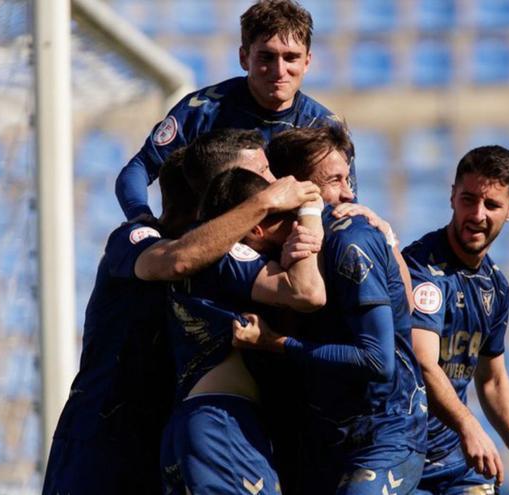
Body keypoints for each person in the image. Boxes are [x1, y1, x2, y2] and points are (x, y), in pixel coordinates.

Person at [42, 142, 321, 495]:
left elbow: (302, 291)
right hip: (101, 431)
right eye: (261, 173)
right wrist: (264, 203)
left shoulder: (226, 257)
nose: (274, 182)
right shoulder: (137, 238)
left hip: (163, 431)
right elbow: (177, 260)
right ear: (218, 185)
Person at [233, 125, 428, 494]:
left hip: (383, 433)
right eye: (335, 180)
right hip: (322, 435)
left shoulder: (353, 240)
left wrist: (277, 342)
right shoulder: (276, 245)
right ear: (298, 189)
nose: (349, 192)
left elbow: (377, 362)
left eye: (347, 178)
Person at [160, 168, 325, 495]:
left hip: (199, 422)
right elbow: (309, 293)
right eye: (284, 217)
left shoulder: (204, 253)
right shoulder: (233, 251)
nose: (292, 225)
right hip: (222, 423)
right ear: (258, 227)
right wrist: (311, 211)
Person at [401, 145, 509, 494]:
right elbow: (422, 363)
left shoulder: (495, 286)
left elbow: (493, 381)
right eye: (469, 199)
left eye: (492, 205)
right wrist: (469, 425)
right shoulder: (422, 269)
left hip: (453, 461)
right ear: (452, 197)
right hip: (401, 452)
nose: (478, 214)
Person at [116, 0, 351, 220]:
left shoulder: (324, 128)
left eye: (291, 58)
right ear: (244, 58)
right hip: (210, 246)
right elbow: (138, 170)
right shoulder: (201, 111)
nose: (279, 70)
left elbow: (346, 205)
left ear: (307, 62)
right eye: (266, 57)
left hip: (289, 250)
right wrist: (141, 220)